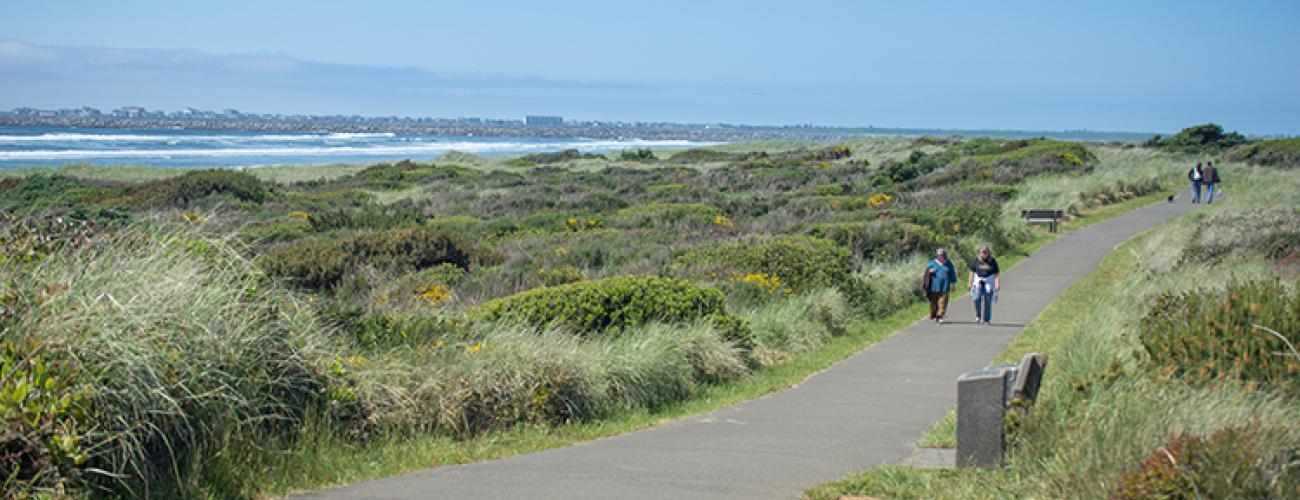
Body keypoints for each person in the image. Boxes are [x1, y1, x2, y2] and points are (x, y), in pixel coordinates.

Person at [969, 246, 1000, 325]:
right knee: (976, 297)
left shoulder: (992, 261)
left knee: (988, 300)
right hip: (978, 281)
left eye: (985, 252)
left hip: (989, 281)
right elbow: (972, 272)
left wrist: (997, 284)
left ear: (988, 252)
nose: (984, 253)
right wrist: (970, 283)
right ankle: (978, 316)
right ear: (980, 252)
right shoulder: (976, 261)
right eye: (982, 252)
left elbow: (996, 273)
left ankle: (986, 319)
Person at [926, 248, 957, 323]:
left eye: (942, 255)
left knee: (943, 302)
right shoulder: (933, 263)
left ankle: (940, 316)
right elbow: (927, 272)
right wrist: (930, 271)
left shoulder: (948, 263)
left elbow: (952, 274)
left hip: (945, 286)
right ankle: (935, 315)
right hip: (934, 287)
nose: (940, 257)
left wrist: (953, 285)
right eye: (939, 255)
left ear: (944, 255)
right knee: (934, 303)